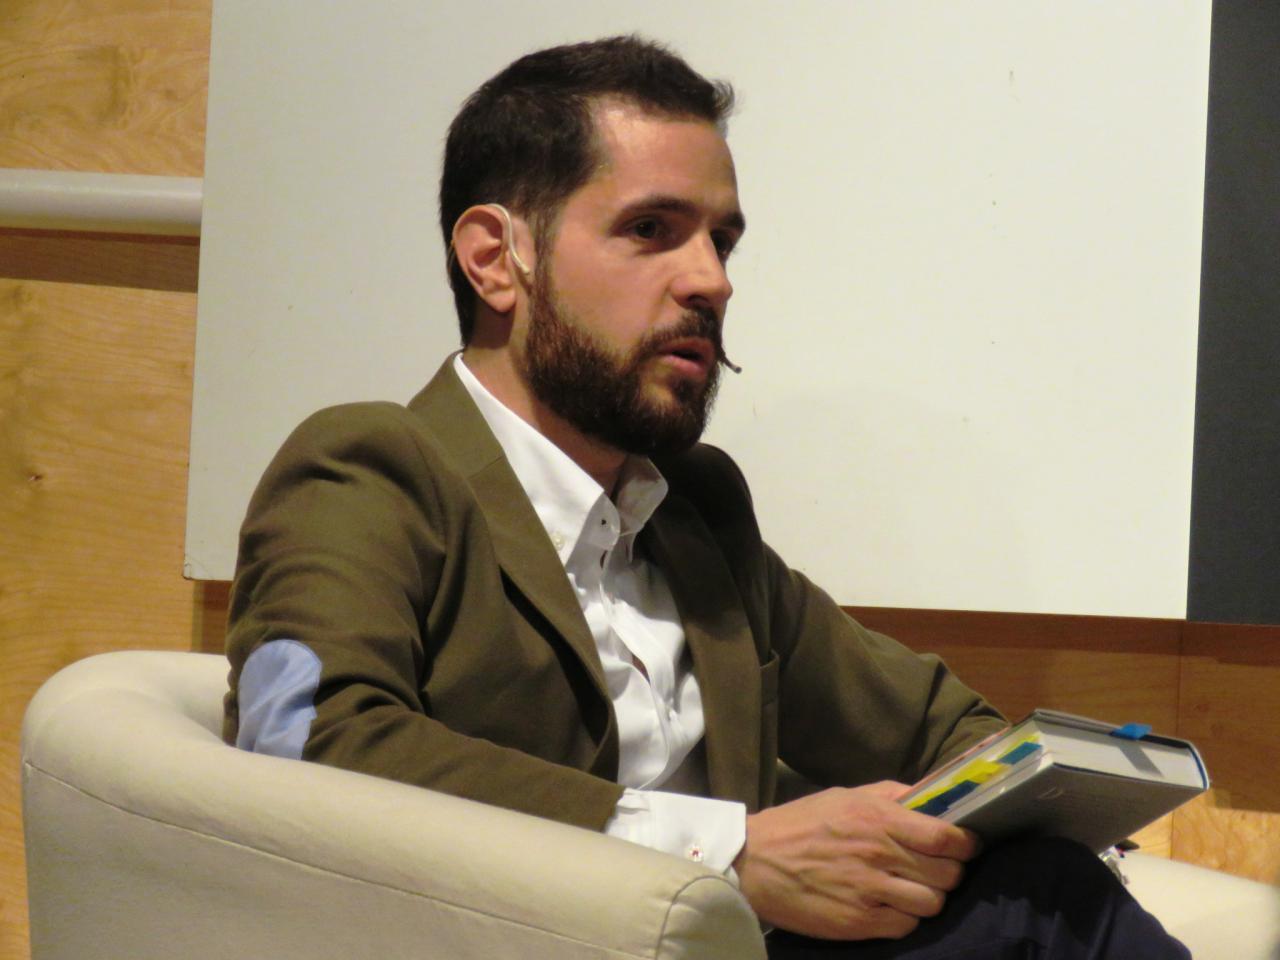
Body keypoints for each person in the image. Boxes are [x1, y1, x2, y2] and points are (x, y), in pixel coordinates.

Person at [223, 35, 1191, 957]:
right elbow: (303, 744)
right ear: (494, 259)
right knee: (1042, 915)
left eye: (721, 240)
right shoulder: (372, 467)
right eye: (650, 230)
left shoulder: (693, 509)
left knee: (1039, 890)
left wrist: (1035, 798)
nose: (711, 281)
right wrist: (726, 855)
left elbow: (930, 727)